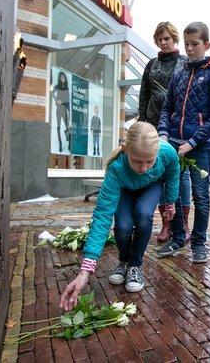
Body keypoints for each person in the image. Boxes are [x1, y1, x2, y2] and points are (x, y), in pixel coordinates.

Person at [59, 122, 180, 310]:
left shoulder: (167, 152)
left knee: (143, 214)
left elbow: (173, 174)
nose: (143, 168)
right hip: (125, 189)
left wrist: (170, 202)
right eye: (137, 161)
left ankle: (135, 266)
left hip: (151, 186)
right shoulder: (116, 169)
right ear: (125, 150)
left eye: (150, 161)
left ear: (158, 152)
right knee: (122, 227)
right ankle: (123, 262)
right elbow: (102, 216)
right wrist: (85, 269)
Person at [156, 22, 210, 263]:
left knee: (200, 195)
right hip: (174, 141)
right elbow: (167, 108)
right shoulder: (180, 72)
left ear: (206, 44)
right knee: (172, 193)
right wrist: (164, 133)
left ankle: (198, 242)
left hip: (200, 146)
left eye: (195, 44)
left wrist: (193, 141)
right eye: (186, 44)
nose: (190, 48)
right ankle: (178, 237)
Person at [135, 22, 191, 243]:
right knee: (157, 172)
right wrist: (143, 122)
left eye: (167, 38)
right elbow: (144, 96)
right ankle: (166, 224)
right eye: (160, 39)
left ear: (174, 39)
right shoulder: (152, 65)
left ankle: (184, 223)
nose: (163, 42)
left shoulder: (184, 63)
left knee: (181, 174)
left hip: (179, 127)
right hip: (154, 126)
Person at [53, 71, 71, 153]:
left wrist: (64, 104)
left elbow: (68, 100)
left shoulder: (67, 87)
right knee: (58, 127)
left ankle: (69, 142)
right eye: (61, 77)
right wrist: (56, 100)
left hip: (64, 109)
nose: (63, 78)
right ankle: (60, 144)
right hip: (58, 109)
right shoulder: (57, 86)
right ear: (59, 78)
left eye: (64, 77)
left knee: (67, 126)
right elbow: (53, 93)